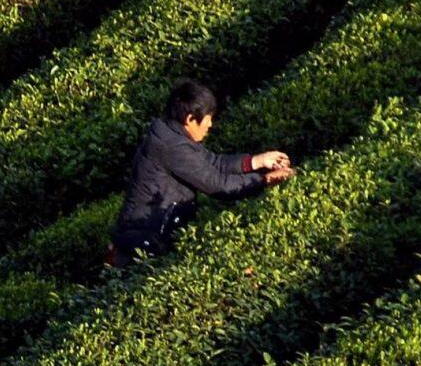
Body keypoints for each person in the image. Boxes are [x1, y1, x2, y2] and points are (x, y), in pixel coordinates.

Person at [109, 79, 293, 265]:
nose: (210, 124)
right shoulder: (170, 145)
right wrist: (262, 180)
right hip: (141, 248)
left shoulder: (172, 134)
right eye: (208, 118)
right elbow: (217, 185)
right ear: (190, 119)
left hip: (149, 238)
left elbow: (213, 163)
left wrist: (257, 161)